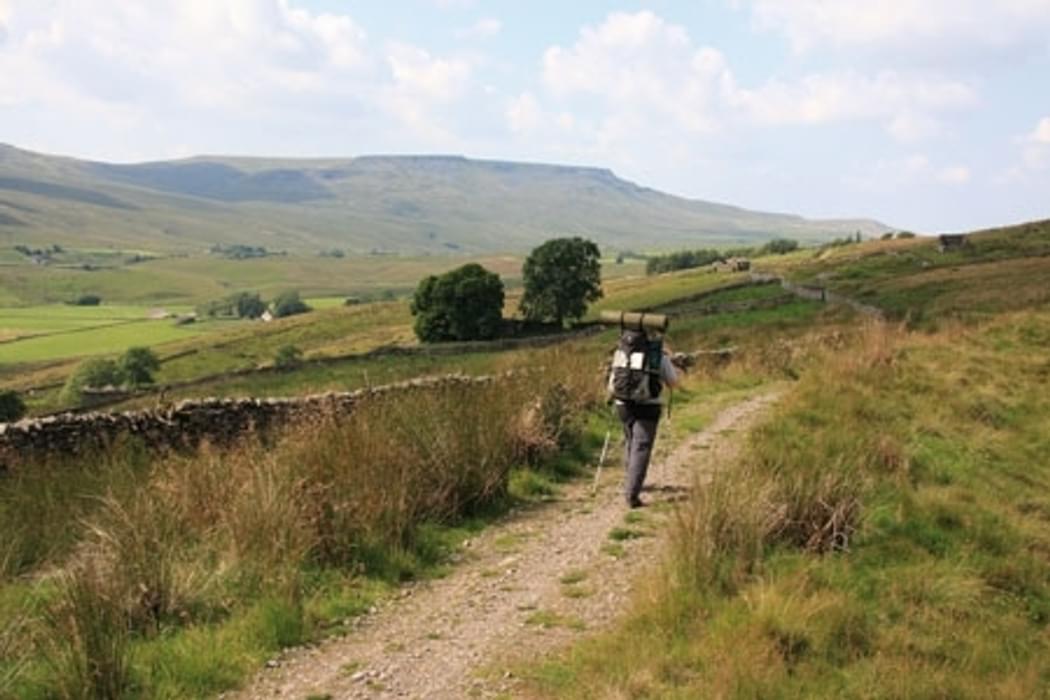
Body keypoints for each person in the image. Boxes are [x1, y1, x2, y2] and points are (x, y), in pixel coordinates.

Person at [614, 337, 679, 508]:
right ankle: (632, 494)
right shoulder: (658, 356)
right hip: (648, 406)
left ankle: (630, 481)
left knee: (630, 441)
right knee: (641, 447)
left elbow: (613, 382)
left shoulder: (622, 352)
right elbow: (673, 382)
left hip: (623, 404)